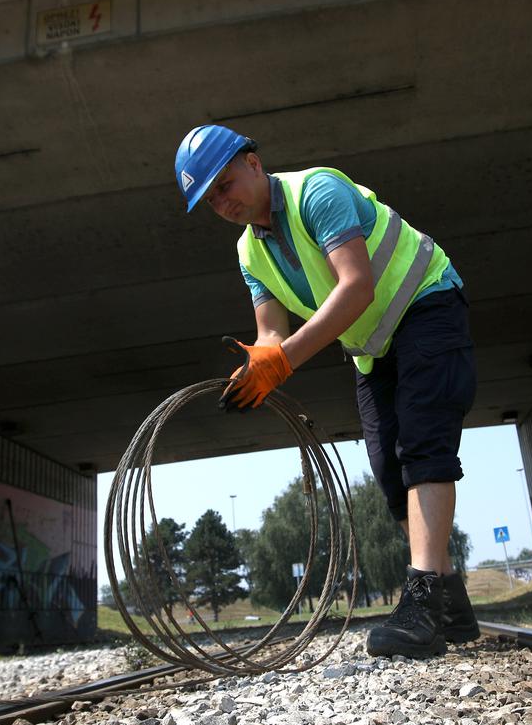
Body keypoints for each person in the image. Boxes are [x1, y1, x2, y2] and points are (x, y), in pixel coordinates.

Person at [174, 124, 479, 658]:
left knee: (424, 443)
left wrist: (286, 360)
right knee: (389, 471)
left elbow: (356, 284)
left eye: (225, 183)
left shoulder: (317, 193)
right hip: (374, 346)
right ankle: (450, 604)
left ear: (252, 162)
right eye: (211, 198)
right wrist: (260, 363)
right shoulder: (250, 253)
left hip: (426, 304)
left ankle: (423, 603)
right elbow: (271, 330)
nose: (223, 202)